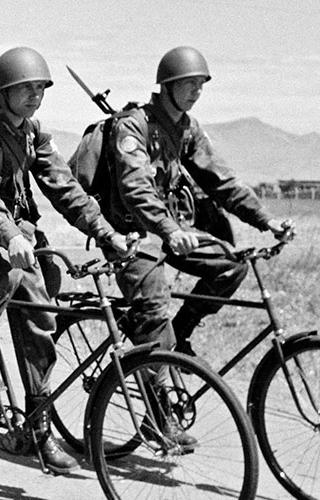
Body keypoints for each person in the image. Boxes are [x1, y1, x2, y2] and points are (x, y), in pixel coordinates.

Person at [0, 47, 130, 474]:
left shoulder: (33, 134)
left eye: (40, 88)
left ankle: (33, 427)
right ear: (3, 90)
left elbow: (66, 188)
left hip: (16, 233)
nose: (35, 95)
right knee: (5, 280)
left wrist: (105, 232)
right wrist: (7, 234)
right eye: (26, 88)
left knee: (46, 296)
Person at [102, 46, 294, 358]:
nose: (198, 90)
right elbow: (135, 189)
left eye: (202, 83)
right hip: (134, 235)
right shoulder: (134, 126)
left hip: (172, 232)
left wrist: (265, 220)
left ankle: (178, 337)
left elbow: (221, 181)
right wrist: (169, 230)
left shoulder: (187, 129)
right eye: (189, 82)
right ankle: (157, 389)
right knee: (154, 307)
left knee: (231, 267)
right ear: (167, 85)